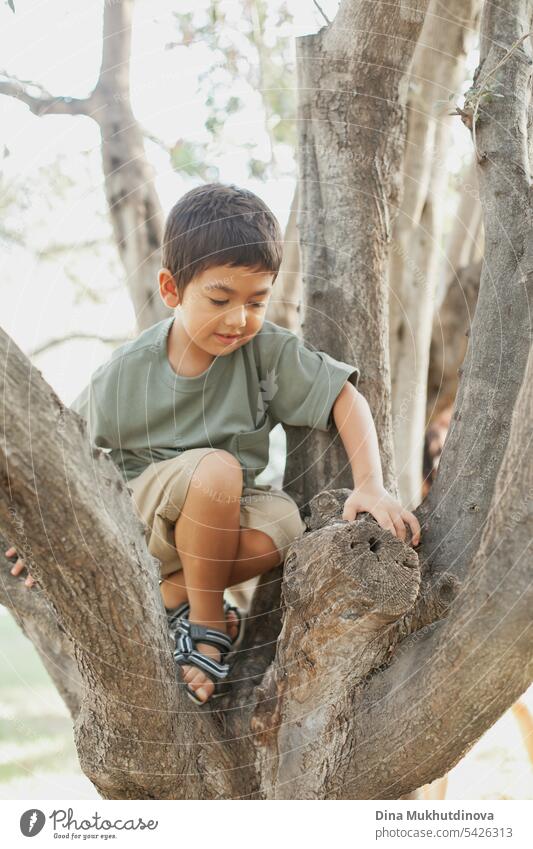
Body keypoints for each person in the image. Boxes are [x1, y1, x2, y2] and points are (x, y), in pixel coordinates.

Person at [6, 182, 420, 706]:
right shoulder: (126, 373)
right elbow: (61, 448)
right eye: (220, 299)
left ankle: (169, 599)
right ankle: (207, 627)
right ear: (171, 289)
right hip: (143, 520)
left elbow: (344, 397)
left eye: (257, 300)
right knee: (218, 469)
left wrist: (372, 486)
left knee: (286, 526)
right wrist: (41, 528)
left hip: (216, 530)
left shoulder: (265, 351)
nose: (240, 318)